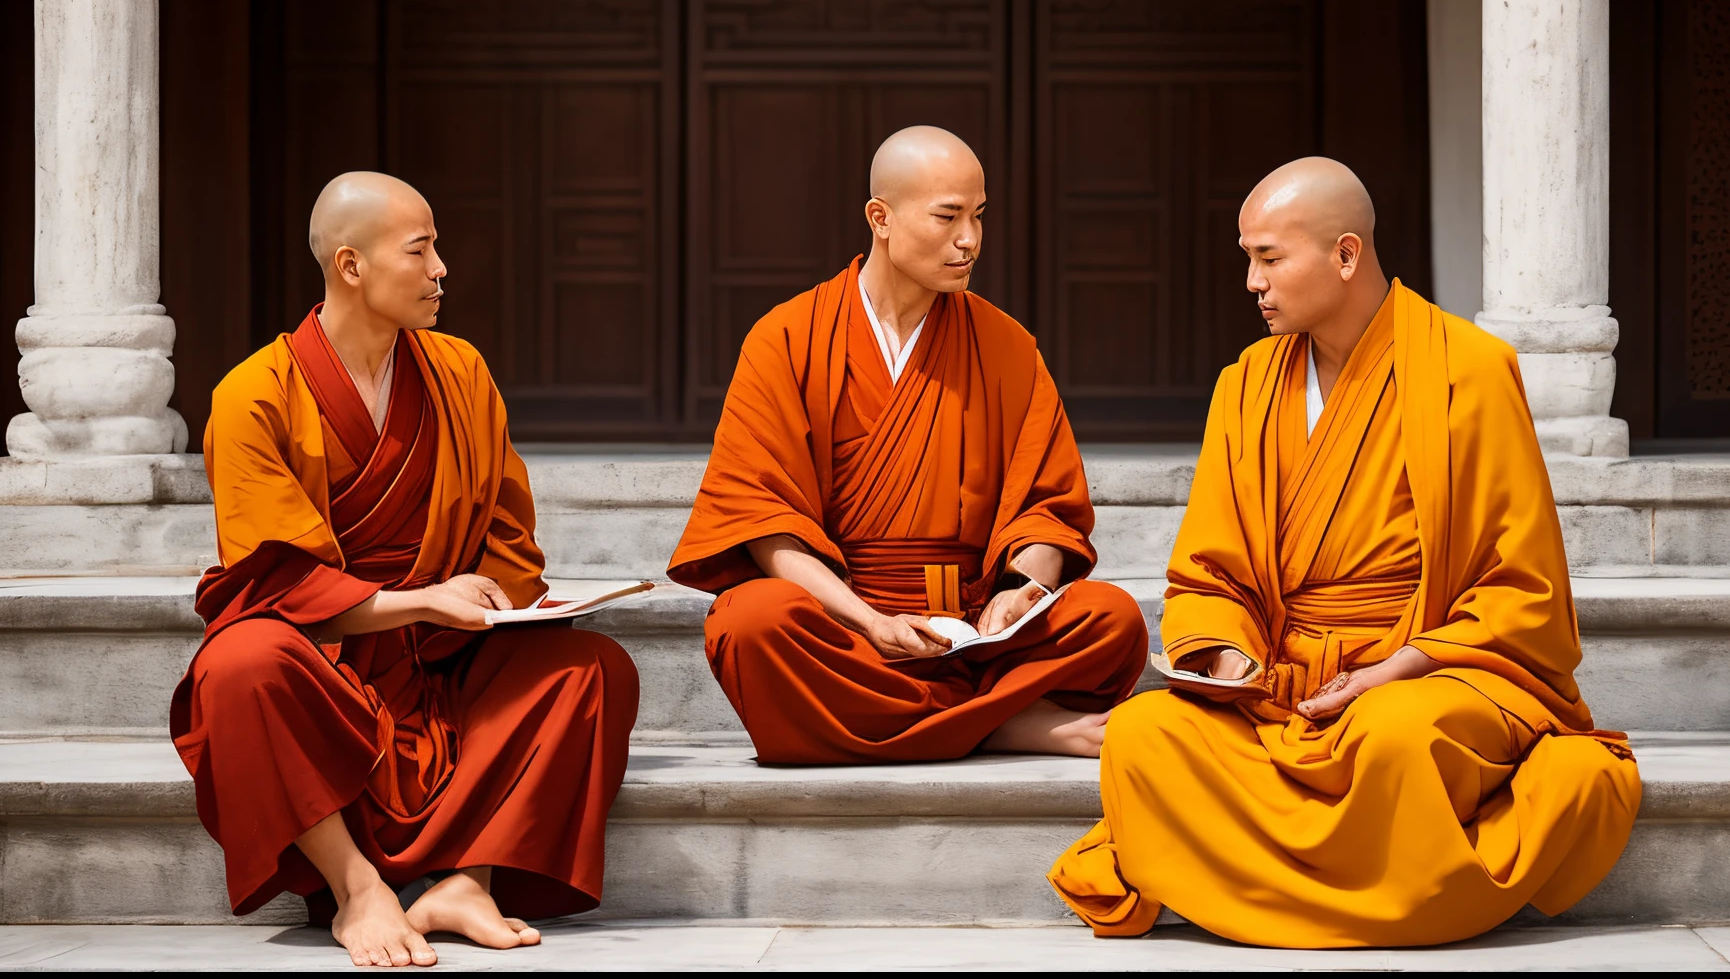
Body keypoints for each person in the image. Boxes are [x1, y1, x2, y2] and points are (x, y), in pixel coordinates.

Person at [1047, 157, 1640, 947]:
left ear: (1347, 255)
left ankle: (1262, 892)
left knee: (1395, 738)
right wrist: (1228, 659)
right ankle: (1353, 893)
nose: (1252, 283)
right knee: (1142, 734)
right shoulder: (1249, 383)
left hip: (1429, 669)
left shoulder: (1470, 371)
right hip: (1286, 683)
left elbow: (1521, 586)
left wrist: (1395, 669)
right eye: (1247, 259)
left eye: (1269, 258)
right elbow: (1210, 571)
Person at [169, 171, 640, 968]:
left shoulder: (459, 372)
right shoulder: (252, 395)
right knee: (239, 666)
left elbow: (509, 537)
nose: (441, 270)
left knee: (590, 668)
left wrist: (499, 604)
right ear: (350, 266)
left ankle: (469, 880)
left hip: (445, 653)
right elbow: (275, 584)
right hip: (325, 661)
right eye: (420, 250)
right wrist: (420, 602)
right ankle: (358, 889)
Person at [669, 126, 1146, 764]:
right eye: (947, 217)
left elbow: (1046, 505)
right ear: (880, 217)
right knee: (749, 622)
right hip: (843, 624)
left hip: (977, 627)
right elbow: (764, 519)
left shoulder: (1006, 346)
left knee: (1111, 617)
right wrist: (869, 622)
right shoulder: (785, 338)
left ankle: (898, 722)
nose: (970, 240)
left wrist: (1016, 591)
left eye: (978, 217)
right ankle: (1002, 723)